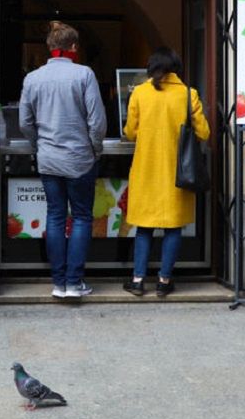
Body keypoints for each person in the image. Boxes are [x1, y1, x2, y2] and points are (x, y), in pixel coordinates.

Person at [19, 21, 107, 299]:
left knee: (55, 216)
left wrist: (38, 145)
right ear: (74, 47)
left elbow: (24, 122)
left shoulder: (33, 78)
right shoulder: (84, 74)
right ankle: (74, 282)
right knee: (81, 217)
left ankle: (58, 282)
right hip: (80, 157)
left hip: (48, 158)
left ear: (50, 47)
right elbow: (97, 121)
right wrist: (95, 149)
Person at [121, 47, 209, 297]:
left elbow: (129, 131)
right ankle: (163, 281)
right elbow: (203, 133)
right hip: (176, 172)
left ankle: (138, 280)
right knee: (172, 228)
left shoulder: (139, 93)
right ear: (176, 69)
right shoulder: (188, 95)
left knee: (144, 227)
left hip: (146, 169)